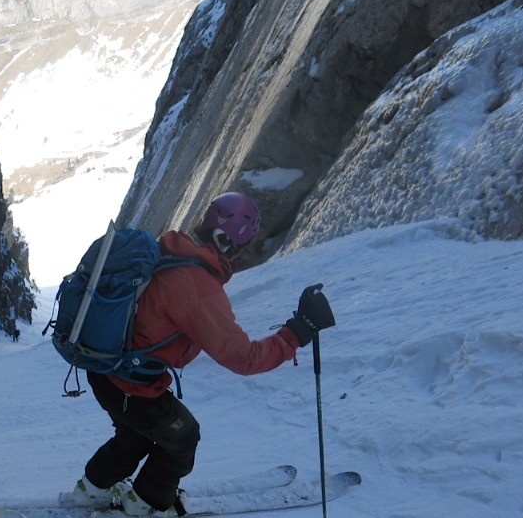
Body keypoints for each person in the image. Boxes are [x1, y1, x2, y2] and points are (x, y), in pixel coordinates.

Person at [67, 192, 336, 516]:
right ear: (233, 243)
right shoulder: (197, 284)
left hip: (103, 367)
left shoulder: (169, 248)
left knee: (133, 437)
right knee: (182, 438)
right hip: (131, 382)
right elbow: (244, 358)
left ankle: (90, 491)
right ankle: (145, 506)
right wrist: (298, 332)